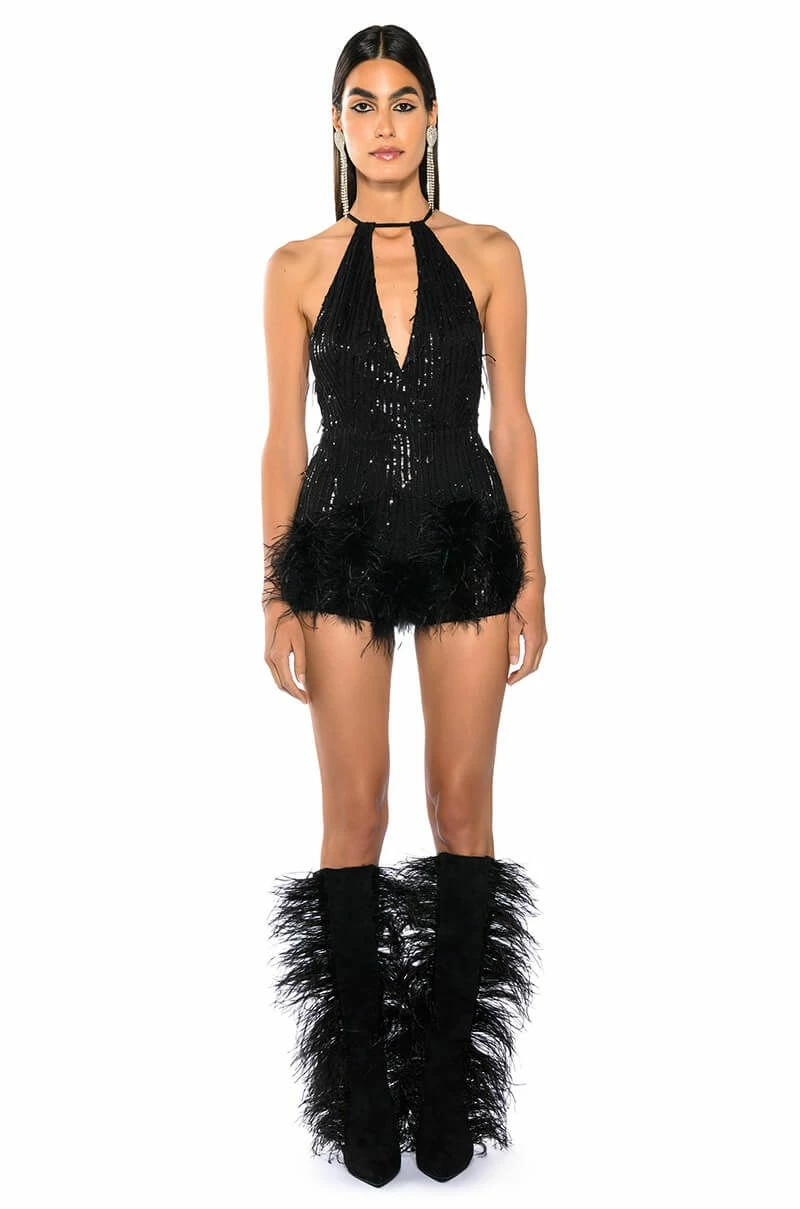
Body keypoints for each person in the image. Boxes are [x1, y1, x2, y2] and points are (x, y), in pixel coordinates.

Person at [262, 25, 547, 1187]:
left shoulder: (488, 252)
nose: (383, 124)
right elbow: (282, 439)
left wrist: (534, 577)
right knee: (357, 810)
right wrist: (273, 593)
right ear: (336, 124)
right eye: (361, 102)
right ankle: (362, 1096)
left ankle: (445, 1087)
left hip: (466, 540)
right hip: (337, 547)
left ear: (431, 119)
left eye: (403, 101)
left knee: (459, 801)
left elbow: (511, 421)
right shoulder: (294, 266)